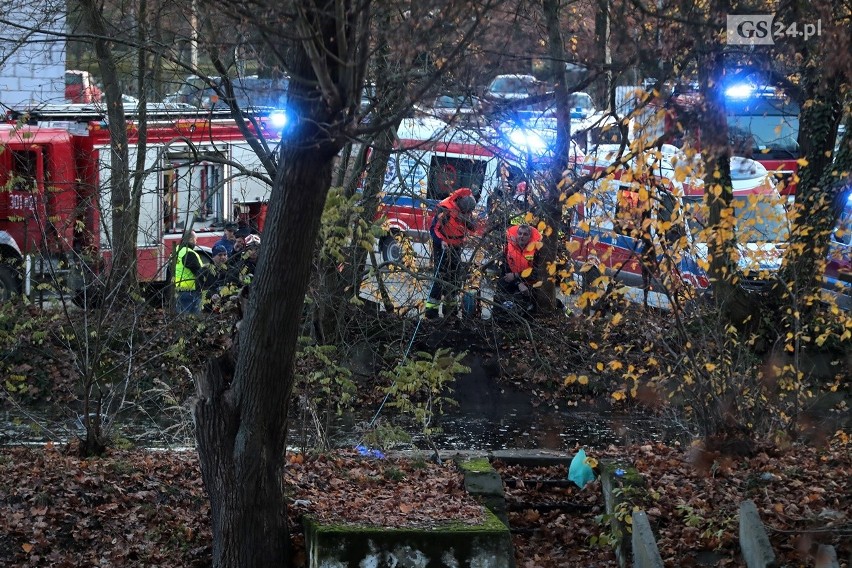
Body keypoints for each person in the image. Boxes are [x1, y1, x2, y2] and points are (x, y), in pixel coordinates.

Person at [424, 188, 478, 319]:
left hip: (456, 246)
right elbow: (434, 229)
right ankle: (431, 312)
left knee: (454, 278)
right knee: (439, 277)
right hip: (442, 245)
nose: (468, 214)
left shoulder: (467, 210)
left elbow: (472, 228)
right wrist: (441, 241)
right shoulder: (445, 209)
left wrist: (469, 224)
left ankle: (451, 311)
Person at [498, 223, 542, 312]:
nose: (522, 236)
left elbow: (536, 272)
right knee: (501, 285)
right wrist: (518, 282)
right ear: (516, 234)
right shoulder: (508, 248)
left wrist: (517, 275)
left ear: (529, 237)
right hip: (514, 281)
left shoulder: (536, 251)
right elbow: (505, 270)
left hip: (529, 282)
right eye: (520, 233)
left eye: (525, 234)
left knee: (535, 301)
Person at [174, 231, 203, 314]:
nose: (196, 242)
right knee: (193, 319)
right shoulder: (189, 253)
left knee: (182, 318)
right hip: (190, 291)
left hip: (179, 288)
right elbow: (199, 271)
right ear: (190, 239)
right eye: (195, 239)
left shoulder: (176, 251)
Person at [198, 244, 233, 312]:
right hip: (209, 308)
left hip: (227, 306)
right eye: (220, 255)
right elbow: (200, 289)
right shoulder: (204, 271)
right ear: (213, 257)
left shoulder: (231, 270)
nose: (223, 257)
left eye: (225, 254)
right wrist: (212, 295)